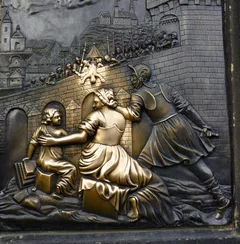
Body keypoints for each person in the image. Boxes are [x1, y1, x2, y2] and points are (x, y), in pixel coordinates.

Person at [38, 88, 179, 226]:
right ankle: (135, 199)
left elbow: (82, 138)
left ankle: (127, 200)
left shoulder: (97, 115)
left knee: (77, 170)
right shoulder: (120, 116)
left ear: (104, 101)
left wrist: (54, 141)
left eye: (96, 101)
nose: (93, 105)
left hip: (96, 158)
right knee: (151, 181)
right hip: (119, 157)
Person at [116, 64, 231, 219]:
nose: (131, 79)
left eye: (134, 76)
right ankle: (221, 199)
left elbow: (134, 115)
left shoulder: (139, 94)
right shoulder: (165, 87)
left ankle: (139, 203)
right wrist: (202, 125)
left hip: (164, 131)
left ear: (141, 77)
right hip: (182, 126)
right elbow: (186, 108)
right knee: (196, 164)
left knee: (143, 164)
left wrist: (115, 106)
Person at [24, 107, 77, 199]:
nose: (60, 118)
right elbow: (71, 139)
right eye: (57, 117)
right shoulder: (60, 131)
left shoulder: (41, 129)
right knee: (71, 168)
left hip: (41, 161)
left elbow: (33, 143)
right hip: (51, 162)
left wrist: (28, 157)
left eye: (60, 117)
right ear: (49, 118)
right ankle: (59, 190)